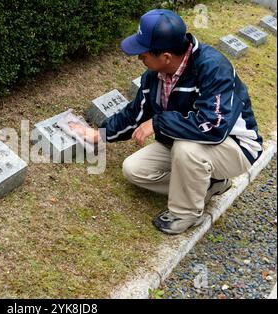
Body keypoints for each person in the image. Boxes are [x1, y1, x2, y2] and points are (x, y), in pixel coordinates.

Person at [70, 9, 262, 234]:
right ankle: (211, 184)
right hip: (186, 141)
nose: (139, 58)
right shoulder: (154, 75)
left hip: (234, 146)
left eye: (143, 54)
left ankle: (186, 213)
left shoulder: (213, 68)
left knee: (187, 149)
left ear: (166, 56)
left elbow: (213, 127)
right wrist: (100, 134)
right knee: (134, 170)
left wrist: (158, 123)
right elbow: (135, 113)